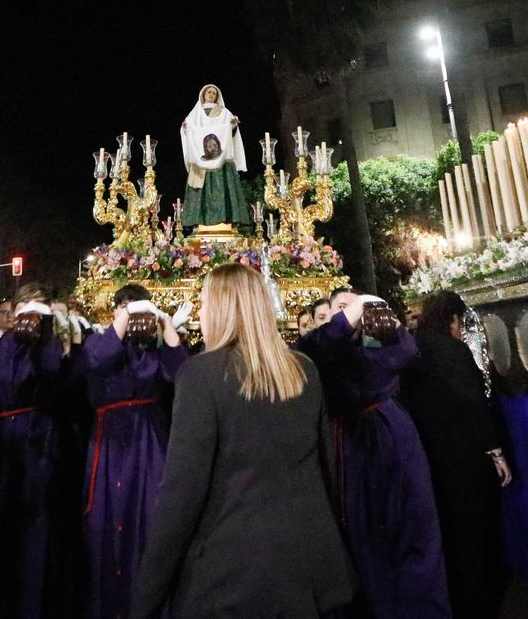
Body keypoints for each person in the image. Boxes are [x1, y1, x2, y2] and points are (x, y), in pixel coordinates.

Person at [132, 263, 354, 619]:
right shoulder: (304, 370)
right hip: (307, 567)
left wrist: (146, 598)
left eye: (204, 304)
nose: (200, 314)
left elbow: (181, 494)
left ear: (221, 310)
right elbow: (326, 470)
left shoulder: (201, 375)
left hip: (233, 575)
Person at [297, 288, 451, 619]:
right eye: (340, 307)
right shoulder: (322, 349)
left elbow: (405, 352)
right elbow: (314, 348)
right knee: (365, 543)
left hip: (394, 440)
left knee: (416, 533)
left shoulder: (374, 347)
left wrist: (383, 320)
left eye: (354, 305)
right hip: (352, 447)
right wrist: (353, 312)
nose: (350, 311)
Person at [0, 282, 82, 617]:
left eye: (38, 307)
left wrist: (55, 337)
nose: (30, 314)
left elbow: (62, 390)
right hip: (1, 452)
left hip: (41, 448)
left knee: (38, 537)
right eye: (25, 307)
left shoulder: (53, 348)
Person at [81, 284, 189, 619]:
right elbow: (98, 358)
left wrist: (167, 325)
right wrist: (127, 313)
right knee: (106, 519)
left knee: (151, 516)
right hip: (110, 440)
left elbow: (182, 375)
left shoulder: (152, 348)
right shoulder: (98, 340)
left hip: (148, 438)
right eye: (126, 307)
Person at [403, 292, 512, 619]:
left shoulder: (414, 348)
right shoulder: (454, 351)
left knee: (449, 532)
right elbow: (473, 403)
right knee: (475, 532)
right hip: (465, 457)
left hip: (432, 456)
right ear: (452, 319)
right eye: (460, 322)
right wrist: (496, 451)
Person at [179, 83, 247, 230]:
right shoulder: (195, 114)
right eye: (209, 92)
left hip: (221, 162)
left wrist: (233, 125)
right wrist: (185, 128)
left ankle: (226, 220)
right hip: (200, 162)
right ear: (203, 95)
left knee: (223, 188)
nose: (211, 94)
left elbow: (231, 132)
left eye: (214, 93)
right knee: (200, 191)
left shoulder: (224, 112)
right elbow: (188, 130)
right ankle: (199, 223)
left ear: (217, 97)